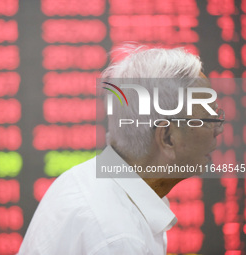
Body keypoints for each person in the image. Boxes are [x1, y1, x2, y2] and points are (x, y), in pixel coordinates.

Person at [17, 45, 224, 255]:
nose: (218, 129)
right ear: (168, 137)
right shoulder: (119, 240)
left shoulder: (86, 180)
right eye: (208, 119)